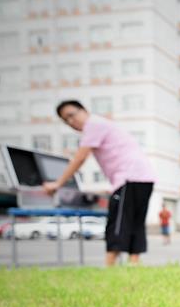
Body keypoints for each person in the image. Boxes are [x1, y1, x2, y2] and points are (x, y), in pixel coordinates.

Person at [44, 101, 157, 266]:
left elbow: (80, 158)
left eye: (71, 115)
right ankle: (134, 263)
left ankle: (110, 266)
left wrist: (58, 183)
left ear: (83, 110)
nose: (71, 121)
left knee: (118, 221)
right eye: (66, 120)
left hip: (129, 177)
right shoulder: (102, 124)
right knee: (135, 221)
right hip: (144, 177)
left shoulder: (93, 124)